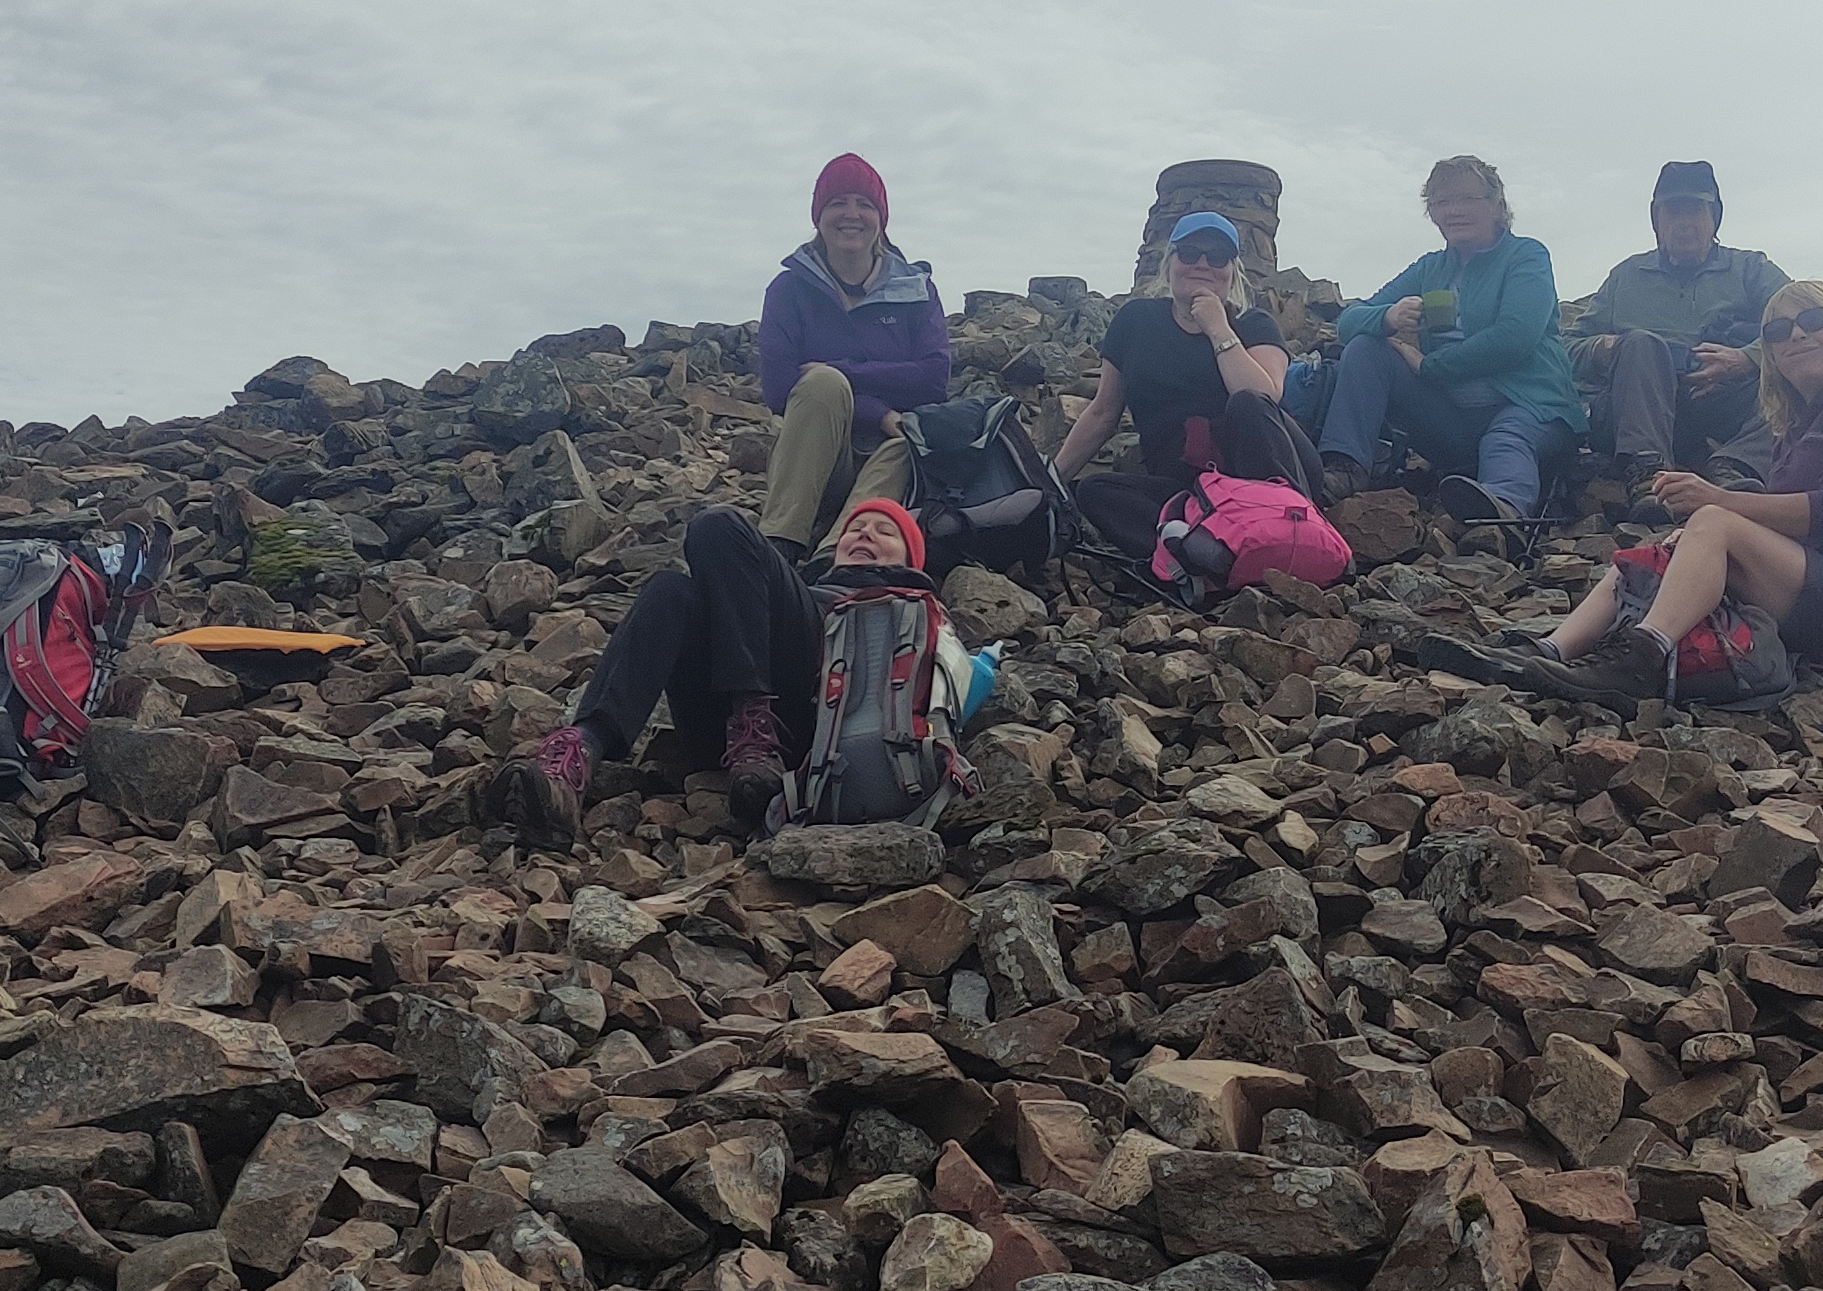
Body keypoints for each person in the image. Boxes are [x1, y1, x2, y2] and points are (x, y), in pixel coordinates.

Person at [1529, 278, 1823, 700]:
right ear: (1772, 354)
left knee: (1713, 523)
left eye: (1813, 320)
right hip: (1822, 593)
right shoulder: (1798, 426)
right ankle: (1550, 649)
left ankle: (1643, 657)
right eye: (1778, 331)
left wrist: (1718, 500)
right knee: (1678, 540)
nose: (1796, 334)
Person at [492, 495, 967, 843]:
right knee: (669, 591)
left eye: (886, 532)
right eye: (856, 529)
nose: (864, 534)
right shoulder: (795, 594)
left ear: (912, 560)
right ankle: (579, 756)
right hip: (731, 746)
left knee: (718, 525)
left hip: (827, 743)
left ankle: (757, 723)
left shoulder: (915, 613)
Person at [1299, 153, 1586, 525]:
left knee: (1506, 439)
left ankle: (1501, 516)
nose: (1454, 211)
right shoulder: (1430, 267)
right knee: (1367, 348)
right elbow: (1348, 323)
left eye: (1468, 199)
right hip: (1453, 421)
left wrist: (1431, 367)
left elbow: (1515, 338)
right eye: (1442, 202)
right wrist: (1387, 316)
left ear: (1497, 204)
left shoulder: (1526, 256)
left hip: (1531, 407)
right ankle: (1345, 468)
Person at [1048, 209, 1319, 553]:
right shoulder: (1136, 322)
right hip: (1186, 483)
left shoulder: (1254, 324)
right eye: (1190, 253)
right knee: (1094, 491)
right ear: (1170, 263)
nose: (1202, 264)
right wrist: (1051, 481)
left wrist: (1217, 328)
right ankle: (1203, 554)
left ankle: (1288, 527)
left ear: (1231, 271)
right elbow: (1103, 412)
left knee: (1247, 403)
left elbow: (1264, 396)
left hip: (1261, 469)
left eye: (1217, 256)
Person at [757, 153, 951, 546]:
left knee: (906, 442)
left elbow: (933, 380)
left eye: (864, 204)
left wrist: (837, 369)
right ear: (818, 216)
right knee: (824, 386)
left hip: (891, 459)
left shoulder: (916, 291)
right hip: (817, 461)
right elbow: (779, 388)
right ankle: (779, 541)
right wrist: (878, 409)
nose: (852, 214)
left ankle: (840, 554)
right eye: (837, 202)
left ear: (881, 218)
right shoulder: (788, 291)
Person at [1576, 160, 1793, 498]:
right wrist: (1602, 348)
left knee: (1796, 380)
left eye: (1695, 211)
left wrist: (1746, 358)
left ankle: (1735, 468)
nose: (1684, 224)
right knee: (1641, 345)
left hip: (1727, 405)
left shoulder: (1751, 269)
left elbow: (1803, 317)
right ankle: (1647, 475)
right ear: (1656, 220)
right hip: (1637, 412)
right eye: (1673, 212)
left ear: (1714, 217)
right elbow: (1565, 345)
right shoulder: (1626, 277)